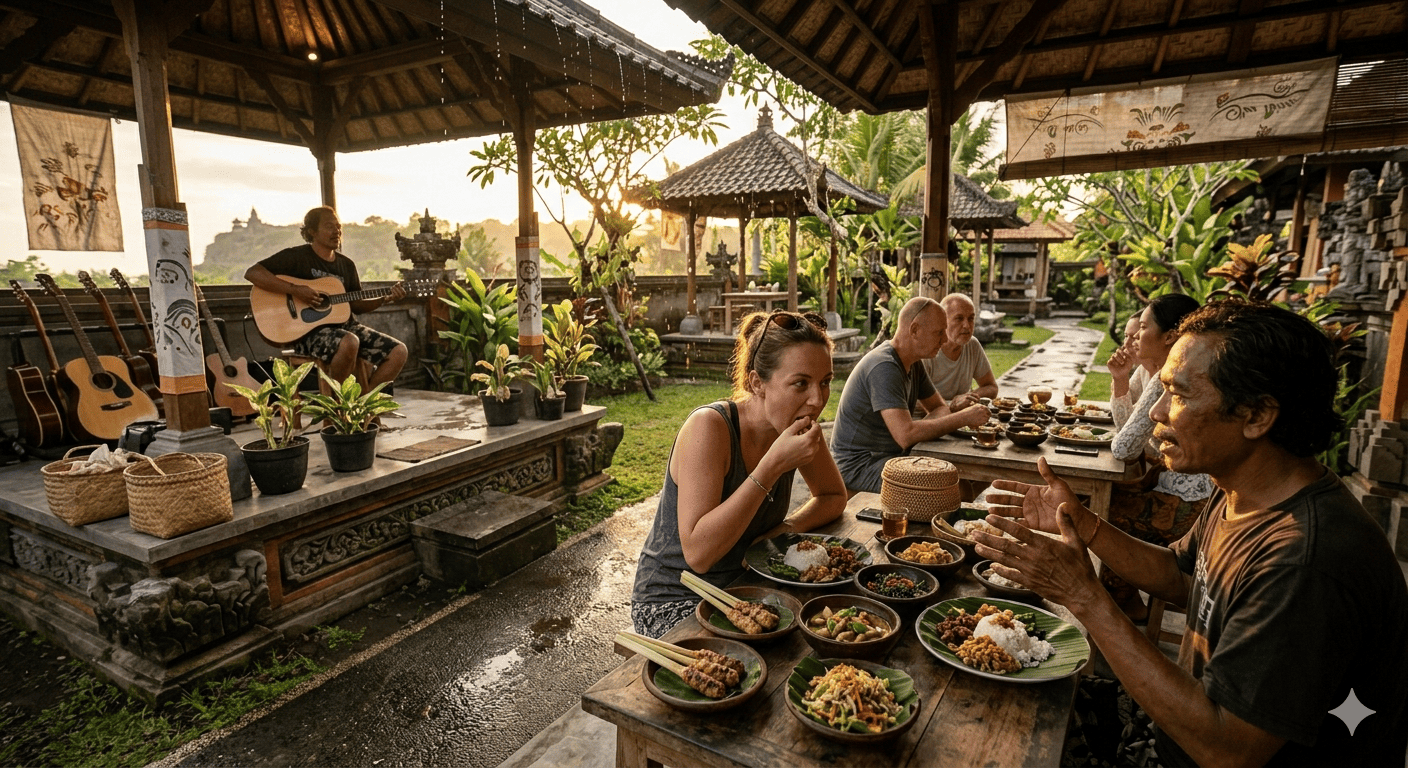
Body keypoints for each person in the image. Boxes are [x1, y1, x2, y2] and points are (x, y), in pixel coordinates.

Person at [978, 299, 1408, 767]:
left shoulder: (1306, 562)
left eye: (1178, 395)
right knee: (996, 695)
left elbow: (1225, 750)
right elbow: (1181, 575)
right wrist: (1082, 522)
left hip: (1197, 749)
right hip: (1175, 729)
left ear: (1256, 416)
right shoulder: (1245, 489)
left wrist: (1083, 596)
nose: (1159, 412)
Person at [630, 311, 846, 638]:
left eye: (825, 382)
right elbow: (698, 555)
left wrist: (784, 529)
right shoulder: (710, 428)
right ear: (757, 382)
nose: (817, 400)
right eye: (800, 383)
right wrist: (770, 467)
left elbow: (833, 496)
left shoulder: (795, 425)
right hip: (674, 596)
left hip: (745, 587)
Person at [1103, 294, 1213, 621]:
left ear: (1168, 337)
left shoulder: (1168, 373)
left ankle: (1117, 604)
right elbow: (1134, 438)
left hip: (1185, 507)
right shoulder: (1186, 370)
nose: (1135, 336)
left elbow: (1125, 448)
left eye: (1143, 328)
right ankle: (1125, 599)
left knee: (1092, 511)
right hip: (1205, 502)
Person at [831, 297, 990, 495]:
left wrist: (920, 431)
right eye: (939, 333)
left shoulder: (914, 362)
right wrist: (963, 418)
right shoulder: (884, 366)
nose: (944, 340)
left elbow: (940, 408)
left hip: (892, 457)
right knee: (953, 490)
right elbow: (905, 436)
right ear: (914, 330)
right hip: (860, 467)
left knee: (963, 480)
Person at [244, 206, 408, 389]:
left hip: (346, 327)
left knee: (398, 351)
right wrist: (297, 290)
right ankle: (336, 406)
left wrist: (384, 298)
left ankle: (363, 406)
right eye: (330, 226)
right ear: (312, 231)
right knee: (349, 342)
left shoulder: (346, 265)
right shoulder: (297, 256)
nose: (337, 231)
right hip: (307, 333)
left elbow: (356, 304)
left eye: (338, 227)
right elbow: (253, 273)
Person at [931, 293, 999, 408]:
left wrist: (969, 396)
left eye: (971, 318)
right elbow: (913, 401)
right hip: (924, 420)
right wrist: (954, 405)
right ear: (943, 321)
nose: (967, 326)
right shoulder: (927, 350)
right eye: (959, 318)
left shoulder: (972, 345)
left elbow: (991, 387)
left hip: (958, 418)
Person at [1107, 312, 1150, 428]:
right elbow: (1121, 411)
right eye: (1126, 336)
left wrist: (1120, 378)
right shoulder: (1143, 369)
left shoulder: (1163, 375)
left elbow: (1127, 426)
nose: (1126, 344)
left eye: (1135, 337)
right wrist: (1119, 377)